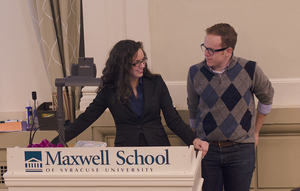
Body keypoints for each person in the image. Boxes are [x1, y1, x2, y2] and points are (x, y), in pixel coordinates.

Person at [52, 39, 209, 156]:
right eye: (136, 63)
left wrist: (194, 140)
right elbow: (86, 119)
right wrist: (52, 144)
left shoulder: (155, 82)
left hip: (158, 149)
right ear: (122, 65)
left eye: (143, 60)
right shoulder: (110, 90)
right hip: (125, 152)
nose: (142, 65)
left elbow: (172, 118)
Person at [187, 23, 274, 191]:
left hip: (241, 150)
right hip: (207, 151)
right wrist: (196, 135)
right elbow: (193, 106)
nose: (206, 53)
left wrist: (256, 131)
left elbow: (267, 97)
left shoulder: (250, 69)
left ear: (228, 51)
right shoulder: (195, 72)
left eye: (211, 50)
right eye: (205, 47)